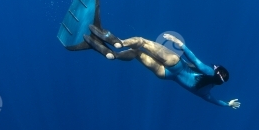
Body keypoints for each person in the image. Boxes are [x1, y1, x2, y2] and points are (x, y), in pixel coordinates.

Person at [86, 25, 241, 109]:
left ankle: (119, 42)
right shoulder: (205, 93)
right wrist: (227, 104)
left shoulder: (209, 72)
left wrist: (180, 44)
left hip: (174, 62)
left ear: (216, 71)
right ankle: (113, 55)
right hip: (165, 74)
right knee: (136, 54)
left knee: (142, 42)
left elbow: (196, 61)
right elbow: (215, 101)